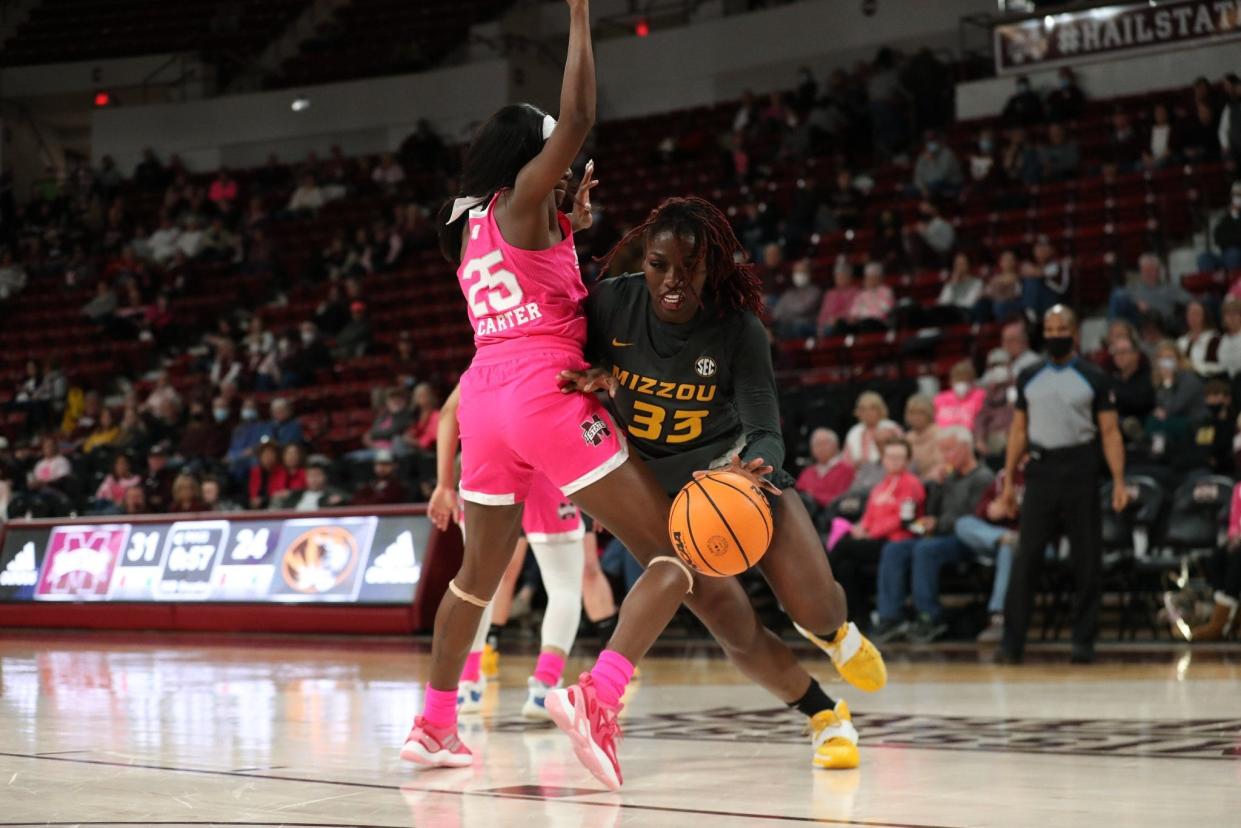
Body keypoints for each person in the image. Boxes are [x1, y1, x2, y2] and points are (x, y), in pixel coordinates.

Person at [404, 10, 877, 788]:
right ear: (529, 154)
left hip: (483, 392)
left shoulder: (477, 223)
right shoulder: (526, 196)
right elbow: (583, 117)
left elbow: (546, 277)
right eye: (549, 144)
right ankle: (597, 697)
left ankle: (432, 726)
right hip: (544, 391)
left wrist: (570, 227)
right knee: (675, 555)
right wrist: (582, 17)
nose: (565, 156)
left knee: (474, 579)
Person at [561, 195, 887, 776]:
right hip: (665, 501)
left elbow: (766, 429)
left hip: (736, 475)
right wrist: (594, 382)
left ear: (713, 266)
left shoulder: (738, 329)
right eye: (660, 265)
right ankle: (826, 717)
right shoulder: (612, 303)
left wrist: (747, 468)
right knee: (733, 627)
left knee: (815, 603)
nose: (672, 281)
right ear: (645, 260)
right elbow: (567, 371)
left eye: (688, 268)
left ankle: (836, 634)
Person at [428, 384, 593, 721]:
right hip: (545, 462)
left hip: (484, 463)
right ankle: (543, 689)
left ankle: (469, 684)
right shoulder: (557, 343)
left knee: (476, 586)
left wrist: (443, 484)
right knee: (563, 586)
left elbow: (447, 413)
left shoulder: (487, 354)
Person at [997, 306, 1128, 664]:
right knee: (1027, 558)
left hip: (1081, 467)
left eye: (1061, 328)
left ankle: (1083, 642)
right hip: (1041, 469)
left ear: (1074, 333)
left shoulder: (1094, 376)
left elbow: (1110, 432)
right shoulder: (1028, 376)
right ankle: (1012, 645)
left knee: (1087, 559)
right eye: (1049, 327)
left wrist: (1118, 480)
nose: (1054, 333)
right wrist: (1009, 481)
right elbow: (1019, 431)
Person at [873, 427, 994, 644]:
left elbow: (976, 518)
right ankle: (890, 617)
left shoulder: (983, 477)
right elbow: (933, 510)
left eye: (950, 450)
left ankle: (929, 616)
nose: (946, 456)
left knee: (925, 549)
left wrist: (938, 523)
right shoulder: (948, 477)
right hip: (940, 536)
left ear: (966, 448)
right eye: (943, 451)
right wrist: (936, 486)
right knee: (895, 548)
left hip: (968, 540)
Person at [829, 439, 926, 627]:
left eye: (900, 457)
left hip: (896, 540)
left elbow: (902, 519)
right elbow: (868, 516)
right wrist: (861, 528)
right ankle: (857, 614)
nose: (895, 461)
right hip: (874, 539)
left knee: (842, 547)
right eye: (890, 457)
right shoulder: (880, 487)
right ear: (883, 460)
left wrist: (870, 532)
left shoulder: (911, 484)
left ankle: (816, 585)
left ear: (907, 460)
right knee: (845, 566)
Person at [955, 458, 1026, 643]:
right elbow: (981, 509)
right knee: (963, 523)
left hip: (1032, 541)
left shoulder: (1043, 476)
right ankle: (1003, 537)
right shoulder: (1003, 475)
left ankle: (998, 617)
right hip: (999, 535)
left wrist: (1015, 510)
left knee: (1008, 549)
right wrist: (991, 510)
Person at [1108, 253, 1189, 331]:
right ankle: (1113, 331)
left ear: (1158, 271)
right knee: (1118, 295)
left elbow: (1189, 301)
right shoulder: (1134, 288)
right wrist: (1136, 304)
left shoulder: (1170, 288)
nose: (1148, 273)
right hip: (1139, 322)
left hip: (1162, 321)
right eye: (1145, 270)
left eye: (1151, 269)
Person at [795, 428, 854, 520]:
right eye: (816, 444)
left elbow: (839, 500)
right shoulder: (807, 472)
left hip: (832, 518)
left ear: (836, 445)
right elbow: (797, 497)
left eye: (824, 443)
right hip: (805, 518)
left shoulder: (846, 470)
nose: (820, 448)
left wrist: (813, 495)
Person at [1020, 236, 1070, 319]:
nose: (1040, 251)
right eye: (1038, 248)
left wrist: (1033, 271)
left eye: (1043, 248)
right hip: (1040, 301)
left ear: (1052, 250)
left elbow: (1041, 273)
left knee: (1032, 280)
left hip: (1057, 298)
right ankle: (1030, 313)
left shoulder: (1059, 263)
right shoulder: (1033, 265)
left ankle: (1031, 312)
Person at [272, 455, 347, 510]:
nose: (314, 479)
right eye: (311, 476)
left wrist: (339, 502)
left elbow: (346, 498)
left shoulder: (332, 495)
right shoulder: (295, 495)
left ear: (325, 477)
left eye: (318, 475)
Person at [770, 260, 822, 339]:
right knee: (776, 328)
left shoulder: (815, 291)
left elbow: (803, 310)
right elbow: (777, 313)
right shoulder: (788, 293)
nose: (799, 275)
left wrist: (787, 313)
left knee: (797, 326)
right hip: (788, 326)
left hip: (808, 325)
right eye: (797, 272)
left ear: (809, 274)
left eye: (802, 271)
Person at [845, 391, 898, 466]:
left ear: (880, 410)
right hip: (861, 473)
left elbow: (899, 454)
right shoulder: (853, 432)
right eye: (863, 409)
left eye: (872, 408)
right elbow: (847, 462)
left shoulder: (892, 428)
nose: (867, 413)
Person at [1198, 181, 1241, 273]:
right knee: (1204, 258)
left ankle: (1235, 286)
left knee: (1233, 253)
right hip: (1225, 255)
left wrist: (1230, 241)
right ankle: (1211, 287)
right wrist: (1234, 215)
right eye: (1235, 195)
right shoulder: (1230, 217)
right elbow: (1218, 236)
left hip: (1236, 255)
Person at [934, 360, 985, 432]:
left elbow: (981, 420)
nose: (961, 382)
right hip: (943, 436)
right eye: (958, 379)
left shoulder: (980, 395)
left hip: (969, 435)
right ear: (951, 381)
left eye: (965, 379)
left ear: (972, 381)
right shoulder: (940, 398)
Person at [1176, 300, 1221, 377]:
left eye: (1196, 314)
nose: (1193, 317)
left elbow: (1219, 366)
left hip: (1206, 379)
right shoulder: (1181, 340)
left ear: (1205, 316)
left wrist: (1194, 366)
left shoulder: (1213, 339)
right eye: (1190, 314)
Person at [846, 261, 894, 331]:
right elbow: (854, 311)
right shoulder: (861, 294)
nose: (870, 280)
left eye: (873, 277)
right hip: (861, 322)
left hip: (879, 322)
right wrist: (853, 317)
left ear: (879, 278)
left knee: (868, 323)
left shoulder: (886, 291)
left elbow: (886, 309)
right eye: (868, 278)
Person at [816, 259, 859, 336]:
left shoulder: (855, 292)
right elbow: (824, 312)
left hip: (845, 324)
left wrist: (836, 318)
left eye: (843, 276)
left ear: (849, 277)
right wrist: (821, 324)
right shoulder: (830, 293)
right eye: (838, 276)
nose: (840, 279)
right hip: (828, 324)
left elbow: (853, 311)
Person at [903, 394, 941, 480]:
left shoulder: (939, 435)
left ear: (929, 414)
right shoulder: (907, 438)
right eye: (912, 413)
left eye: (921, 413)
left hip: (933, 482)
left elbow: (940, 464)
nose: (916, 417)